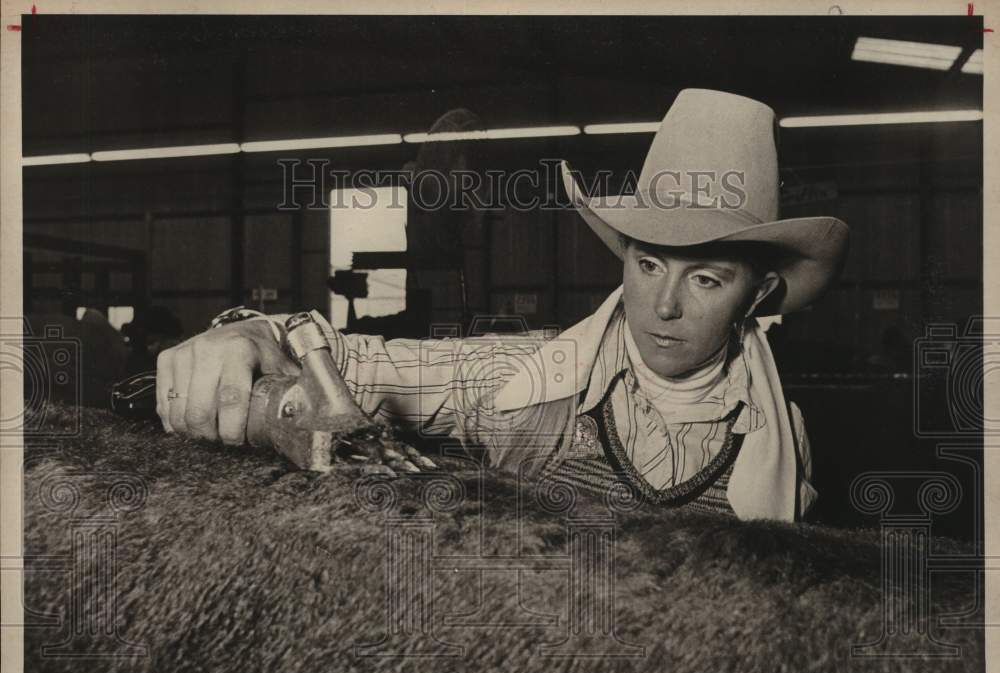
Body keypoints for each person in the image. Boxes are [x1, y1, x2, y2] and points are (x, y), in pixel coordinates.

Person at [156, 89, 849, 521]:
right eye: (647, 264)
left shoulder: (777, 438)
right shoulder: (520, 380)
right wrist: (249, 334)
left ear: (755, 295)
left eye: (706, 279)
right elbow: (360, 365)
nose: (662, 305)